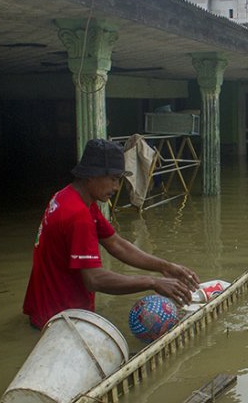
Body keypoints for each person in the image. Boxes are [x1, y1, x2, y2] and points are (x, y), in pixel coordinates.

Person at [23, 139, 200, 330]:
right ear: (91, 175)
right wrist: (152, 282)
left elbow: (115, 243)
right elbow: (94, 279)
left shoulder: (70, 196)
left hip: (45, 310)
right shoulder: (78, 215)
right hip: (60, 321)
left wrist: (165, 267)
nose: (116, 188)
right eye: (113, 179)